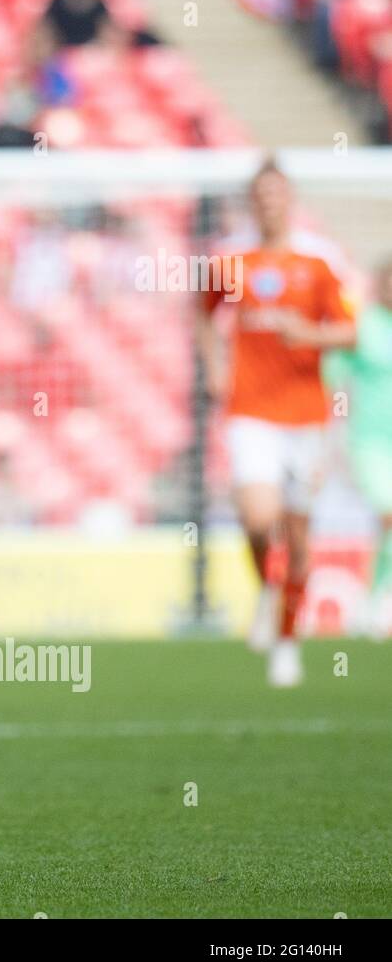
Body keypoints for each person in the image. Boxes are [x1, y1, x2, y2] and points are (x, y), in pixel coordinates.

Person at [197, 160, 357, 686]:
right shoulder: (231, 257)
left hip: (308, 414)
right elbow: (202, 311)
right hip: (251, 411)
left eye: (276, 193)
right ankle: (267, 588)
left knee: (300, 534)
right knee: (259, 518)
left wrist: (307, 335)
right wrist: (217, 365)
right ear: (252, 200)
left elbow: (349, 332)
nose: (268, 201)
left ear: (288, 199)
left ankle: (287, 644)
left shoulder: (318, 258)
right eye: (260, 193)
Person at [325, 259, 392, 634]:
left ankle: (374, 599)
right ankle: (374, 600)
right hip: (370, 442)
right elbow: (335, 372)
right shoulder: (362, 327)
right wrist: (336, 415)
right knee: (389, 512)